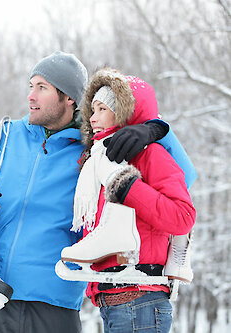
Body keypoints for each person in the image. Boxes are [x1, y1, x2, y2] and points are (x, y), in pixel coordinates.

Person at [0, 52, 196, 333]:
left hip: (55, 301)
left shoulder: (93, 151)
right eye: (31, 86)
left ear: (69, 98)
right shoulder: (4, 137)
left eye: (42, 88)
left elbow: (184, 175)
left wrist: (155, 129)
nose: (31, 97)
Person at [66, 68, 196, 332]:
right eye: (92, 110)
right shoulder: (97, 162)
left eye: (102, 109)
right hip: (113, 301)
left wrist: (128, 188)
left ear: (125, 112)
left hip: (140, 299)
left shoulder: (151, 155)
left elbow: (183, 217)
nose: (92, 119)